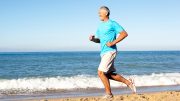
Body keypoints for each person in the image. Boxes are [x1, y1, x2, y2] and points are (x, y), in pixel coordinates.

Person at [89, 6, 136, 99]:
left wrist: (113, 42)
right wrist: (93, 39)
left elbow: (124, 34)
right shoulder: (100, 26)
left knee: (100, 72)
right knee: (108, 74)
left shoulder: (112, 23)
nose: (98, 14)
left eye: (100, 12)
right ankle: (129, 83)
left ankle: (109, 94)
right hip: (103, 52)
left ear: (106, 13)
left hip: (110, 51)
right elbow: (100, 40)